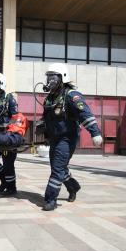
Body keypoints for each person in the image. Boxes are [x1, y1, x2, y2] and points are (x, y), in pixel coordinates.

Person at [40, 63, 102, 211]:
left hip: (67, 139)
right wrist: (45, 134)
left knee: (57, 168)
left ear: (62, 78)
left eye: (53, 77)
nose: (50, 81)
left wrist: (95, 133)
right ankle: (73, 186)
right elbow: (47, 118)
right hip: (55, 139)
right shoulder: (49, 98)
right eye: (48, 77)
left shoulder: (72, 96)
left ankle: (51, 199)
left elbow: (85, 114)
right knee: (59, 167)